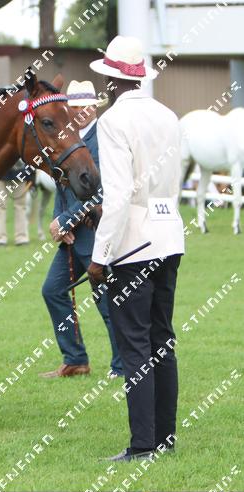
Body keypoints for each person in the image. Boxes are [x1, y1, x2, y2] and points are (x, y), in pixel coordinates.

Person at [86, 36, 185, 462]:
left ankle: (143, 444)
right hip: (169, 234)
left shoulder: (112, 121)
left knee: (134, 345)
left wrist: (99, 256)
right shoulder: (168, 115)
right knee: (162, 338)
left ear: (111, 80)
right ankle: (165, 437)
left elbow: (119, 195)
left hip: (133, 245)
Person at [40, 80, 123, 379]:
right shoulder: (68, 137)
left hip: (97, 233)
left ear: (94, 108)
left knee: (106, 302)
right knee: (53, 291)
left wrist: (65, 221)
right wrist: (61, 222)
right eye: (76, 106)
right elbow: (62, 184)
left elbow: (100, 189)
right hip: (74, 237)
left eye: (88, 105)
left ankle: (122, 366)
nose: (83, 111)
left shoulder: (103, 138)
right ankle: (75, 359)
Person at [0, 162, 30, 246]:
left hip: (20, 171)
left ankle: (21, 238)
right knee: (0, 205)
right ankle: (1, 238)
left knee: (20, 205)